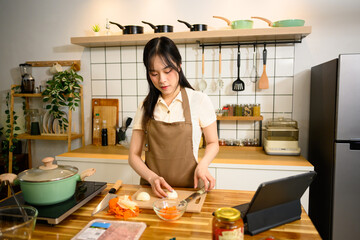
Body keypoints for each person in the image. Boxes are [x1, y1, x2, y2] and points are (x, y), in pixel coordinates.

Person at [128, 36, 219, 198]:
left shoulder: (199, 100)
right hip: (153, 193)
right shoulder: (145, 106)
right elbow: (133, 156)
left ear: (179, 65)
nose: (162, 80)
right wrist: (152, 177)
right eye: (154, 73)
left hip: (190, 191)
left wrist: (203, 165)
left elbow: (213, 143)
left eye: (167, 71)